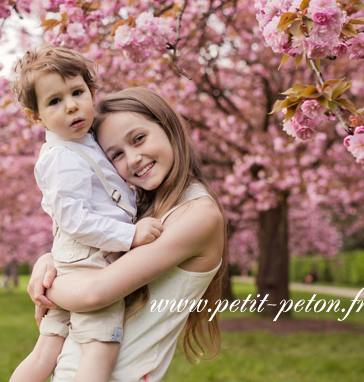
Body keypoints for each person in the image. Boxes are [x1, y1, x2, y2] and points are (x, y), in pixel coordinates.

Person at [28, 87, 228, 382]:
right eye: (117, 155)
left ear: (168, 127)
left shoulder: (197, 215)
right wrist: (49, 259)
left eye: (139, 139)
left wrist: (47, 287)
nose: (133, 159)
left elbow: (95, 292)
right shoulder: (141, 215)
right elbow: (96, 257)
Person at [9, 45, 165, 382]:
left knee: (45, 351)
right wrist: (131, 235)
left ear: (92, 93)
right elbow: (73, 220)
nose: (71, 106)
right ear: (35, 117)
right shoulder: (61, 157)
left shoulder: (85, 143)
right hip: (90, 263)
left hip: (73, 262)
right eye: (54, 101)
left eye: (77, 92)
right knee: (99, 351)